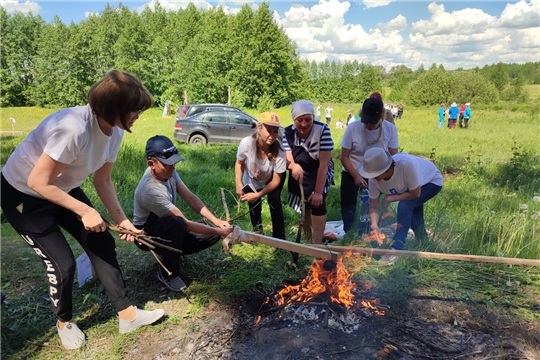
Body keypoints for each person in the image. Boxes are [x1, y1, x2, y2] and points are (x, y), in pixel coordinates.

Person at [0, 70, 165, 350]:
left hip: (61, 187)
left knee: (101, 239)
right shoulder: (73, 128)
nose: (138, 115)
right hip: (22, 194)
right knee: (62, 263)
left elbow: (103, 180)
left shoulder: (114, 132)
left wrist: (121, 219)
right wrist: (86, 211)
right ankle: (64, 322)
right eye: (134, 110)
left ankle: (127, 314)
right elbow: (37, 181)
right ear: (114, 108)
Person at [134, 135, 233, 291]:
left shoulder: (169, 172)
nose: (173, 168)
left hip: (168, 225)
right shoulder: (150, 190)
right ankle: (169, 274)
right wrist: (221, 231)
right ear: (151, 163)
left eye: (174, 163)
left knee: (211, 234)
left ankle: (170, 250)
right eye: (168, 164)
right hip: (147, 234)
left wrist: (216, 222)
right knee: (178, 224)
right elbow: (184, 223)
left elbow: (191, 198)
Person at [358, 148, 443, 263]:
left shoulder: (406, 165)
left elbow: (415, 193)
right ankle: (424, 244)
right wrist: (374, 225)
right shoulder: (373, 180)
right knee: (415, 218)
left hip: (430, 181)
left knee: (405, 205)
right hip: (411, 186)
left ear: (386, 169)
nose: (371, 176)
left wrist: (390, 198)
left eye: (374, 173)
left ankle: (397, 248)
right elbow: (373, 206)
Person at [340, 97, 399, 233]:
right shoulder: (353, 128)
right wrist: (356, 176)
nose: (368, 125)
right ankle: (349, 233)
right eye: (365, 121)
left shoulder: (390, 129)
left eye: (372, 121)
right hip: (352, 170)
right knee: (348, 204)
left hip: (377, 172)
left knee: (372, 204)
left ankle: (370, 231)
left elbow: (394, 156)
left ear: (381, 117)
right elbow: (344, 156)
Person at [282, 100, 334, 244]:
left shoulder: (323, 130)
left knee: (318, 204)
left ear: (313, 118)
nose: (304, 124)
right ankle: (308, 239)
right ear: (294, 119)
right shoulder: (287, 133)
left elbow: (324, 165)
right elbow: (287, 159)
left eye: (307, 120)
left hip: (319, 170)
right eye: (300, 120)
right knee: (304, 207)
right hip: (299, 172)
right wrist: (293, 166)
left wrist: (318, 192)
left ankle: (317, 244)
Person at [235, 112, 286, 240]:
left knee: (274, 201)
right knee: (254, 204)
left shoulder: (280, 151)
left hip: (272, 179)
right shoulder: (247, 143)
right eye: (268, 130)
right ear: (259, 128)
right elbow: (239, 163)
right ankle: (258, 234)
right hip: (252, 179)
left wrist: (258, 194)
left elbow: (275, 181)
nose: (272, 135)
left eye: (275, 131)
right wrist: (238, 184)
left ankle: (279, 238)